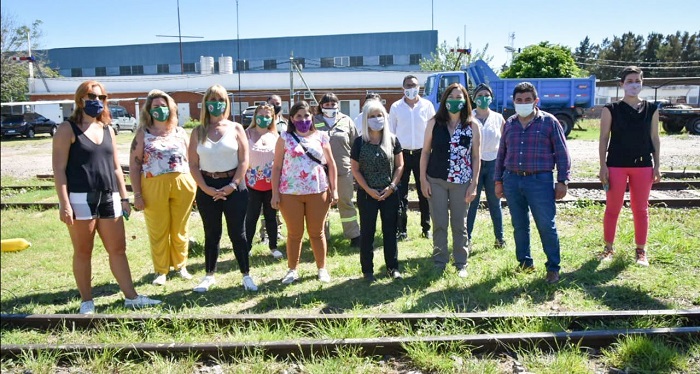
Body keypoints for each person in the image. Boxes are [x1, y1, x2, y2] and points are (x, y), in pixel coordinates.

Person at [52, 80, 161, 314]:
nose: (97, 102)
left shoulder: (108, 129)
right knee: (83, 251)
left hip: (110, 197)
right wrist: (64, 203)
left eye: (101, 98)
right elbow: (59, 170)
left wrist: (124, 198)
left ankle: (131, 297)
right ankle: (87, 301)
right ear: (80, 99)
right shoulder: (67, 129)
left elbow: (114, 168)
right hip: (80, 198)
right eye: (92, 97)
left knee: (118, 249)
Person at [495, 82, 571, 284]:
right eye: (519, 100)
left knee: (546, 225)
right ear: (514, 102)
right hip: (512, 179)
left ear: (536, 101)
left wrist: (562, 180)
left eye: (527, 100)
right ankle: (525, 262)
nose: (523, 103)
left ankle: (553, 267)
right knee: (519, 225)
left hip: (540, 181)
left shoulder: (549, 122)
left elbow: (562, 154)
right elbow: (501, 154)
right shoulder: (510, 123)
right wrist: (498, 181)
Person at [188, 84, 257, 292]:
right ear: (205, 104)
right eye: (212, 100)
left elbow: (244, 160)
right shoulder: (198, 131)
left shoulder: (236, 128)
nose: (216, 105)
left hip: (234, 186)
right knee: (212, 233)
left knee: (238, 233)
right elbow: (192, 164)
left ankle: (246, 274)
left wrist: (233, 184)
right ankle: (209, 275)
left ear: (226, 103)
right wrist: (206, 188)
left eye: (220, 100)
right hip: (207, 187)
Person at [130, 89, 197, 286]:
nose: (160, 109)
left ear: (171, 108)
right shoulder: (143, 134)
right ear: (148, 111)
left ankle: (181, 266)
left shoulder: (180, 132)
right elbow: (134, 165)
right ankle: (161, 270)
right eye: (156, 106)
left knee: (180, 227)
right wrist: (137, 194)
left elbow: (193, 160)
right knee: (158, 229)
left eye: (163, 106)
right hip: (153, 185)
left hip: (182, 184)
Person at [598, 66, 661, 266]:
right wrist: (602, 166)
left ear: (642, 82)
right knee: (612, 208)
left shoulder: (652, 108)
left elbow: (655, 137)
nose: (634, 84)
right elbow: (603, 139)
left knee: (641, 209)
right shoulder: (611, 109)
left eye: (638, 80)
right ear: (622, 84)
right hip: (616, 164)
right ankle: (608, 248)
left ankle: (641, 251)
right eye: (630, 81)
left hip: (643, 165)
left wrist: (657, 165)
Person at [271, 100, 339, 284]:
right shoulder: (284, 137)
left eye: (306, 115)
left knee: (317, 233)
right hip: (290, 193)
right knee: (294, 233)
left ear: (312, 117)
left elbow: (331, 164)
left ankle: (322, 268)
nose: (303, 119)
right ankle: (292, 269)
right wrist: (275, 193)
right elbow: (276, 167)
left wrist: (335, 190)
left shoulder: (322, 136)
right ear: (292, 118)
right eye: (298, 116)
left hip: (318, 191)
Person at [419, 83, 481, 277]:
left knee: (459, 223)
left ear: (465, 101)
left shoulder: (473, 125)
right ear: (445, 100)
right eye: (451, 97)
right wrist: (423, 179)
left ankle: (461, 262)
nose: (455, 100)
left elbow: (476, 157)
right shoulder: (434, 123)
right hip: (436, 179)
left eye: (459, 97)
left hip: (461, 182)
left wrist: (474, 184)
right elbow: (425, 152)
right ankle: (440, 260)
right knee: (439, 222)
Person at [350, 100, 404, 282]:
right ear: (365, 119)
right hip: (367, 195)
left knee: (390, 232)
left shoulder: (393, 140)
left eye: (379, 115)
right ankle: (368, 271)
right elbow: (355, 169)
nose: (376, 119)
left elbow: (399, 165)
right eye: (372, 116)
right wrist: (368, 189)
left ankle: (392, 268)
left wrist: (392, 187)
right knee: (367, 232)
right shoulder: (359, 142)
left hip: (389, 193)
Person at [389, 75, 436, 241]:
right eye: (408, 85)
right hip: (402, 155)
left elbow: (433, 129)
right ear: (403, 87)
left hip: (423, 154)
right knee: (400, 194)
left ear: (419, 87)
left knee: (425, 192)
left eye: (414, 85)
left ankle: (426, 228)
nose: (411, 88)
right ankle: (402, 230)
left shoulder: (427, 106)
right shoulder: (396, 107)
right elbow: (391, 133)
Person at [313, 92, 361, 248]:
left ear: (338, 105)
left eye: (333, 104)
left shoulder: (346, 121)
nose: (330, 107)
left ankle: (353, 235)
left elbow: (356, 144)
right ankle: (323, 237)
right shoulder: (314, 121)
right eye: (326, 105)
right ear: (321, 106)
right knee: (321, 206)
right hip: (319, 172)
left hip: (343, 170)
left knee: (346, 202)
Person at [466, 83, 506, 249]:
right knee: (471, 203)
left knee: (494, 203)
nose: (483, 98)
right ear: (474, 98)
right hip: (473, 164)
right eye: (480, 95)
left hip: (493, 164)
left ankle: (500, 238)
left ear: (491, 98)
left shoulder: (498, 118)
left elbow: (505, 143)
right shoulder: (468, 117)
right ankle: (466, 238)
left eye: (486, 95)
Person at [245, 103, 284, 260]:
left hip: (271, 184)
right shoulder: (246, 134)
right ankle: (246, 247)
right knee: (251, 217)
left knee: (271, 216)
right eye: (261, 115)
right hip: (251, 184)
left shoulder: (275, 136)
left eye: (268, 116)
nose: (264, 119)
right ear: (255, 116)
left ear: (273, 118)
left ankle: (273, 246)